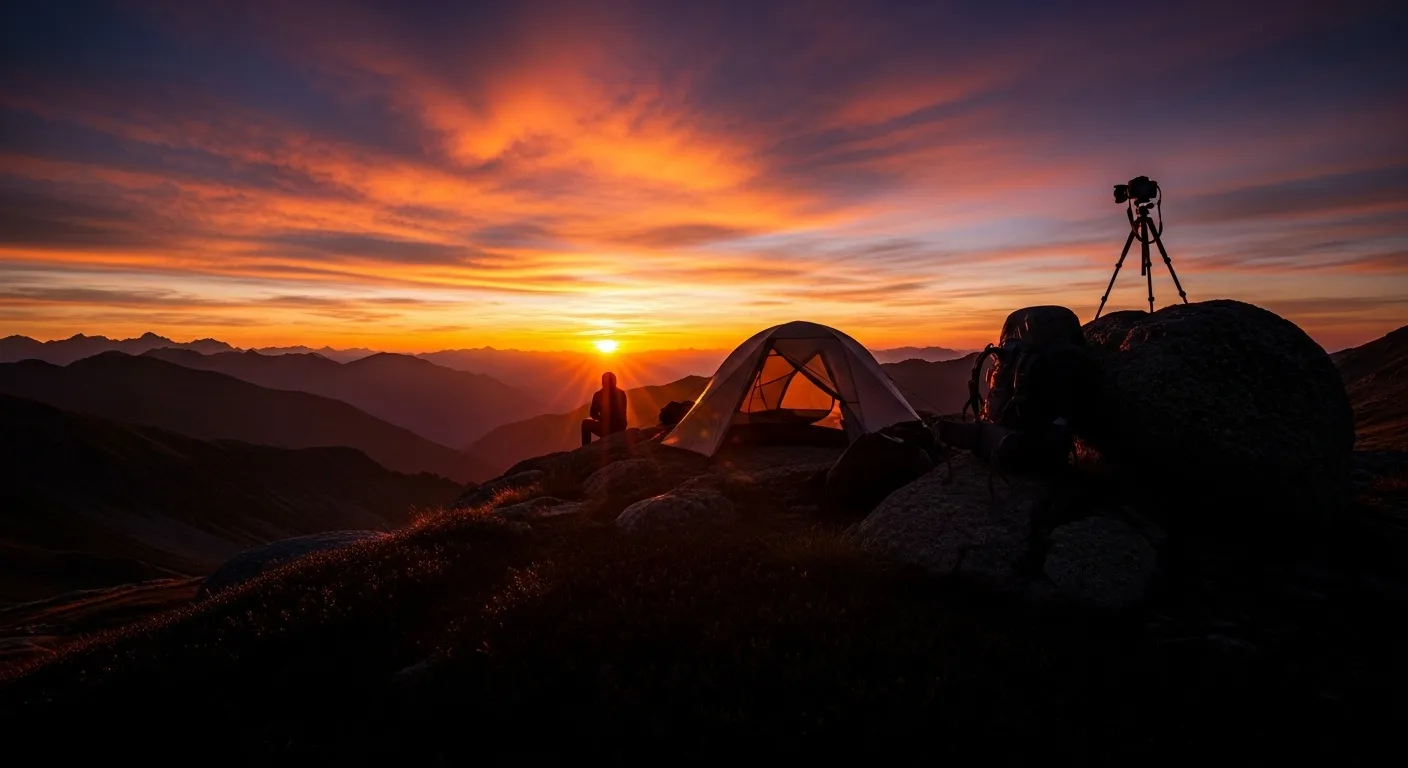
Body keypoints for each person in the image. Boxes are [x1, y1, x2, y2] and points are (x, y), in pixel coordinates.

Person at [582, 371, 628, 446]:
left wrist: (601, 419)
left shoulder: (599, 395)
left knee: (585, 423)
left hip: (607, 429)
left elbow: (593, 414)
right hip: (621, 427)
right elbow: (623, 413)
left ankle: (585, 448)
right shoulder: (621, 393)